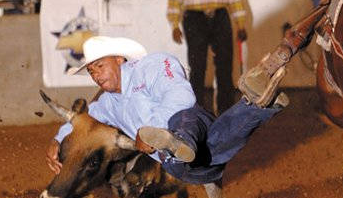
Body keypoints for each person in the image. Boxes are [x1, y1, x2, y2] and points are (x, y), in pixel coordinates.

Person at [45, 36, 286, 186]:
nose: (96, 75)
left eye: (99, 65)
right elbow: (83, 122)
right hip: (184, 166)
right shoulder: (107, 104)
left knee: (185, 121)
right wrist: (59, 140)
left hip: (190, 127)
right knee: (214, 151)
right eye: (91, 71)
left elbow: (182, 96)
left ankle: (179, 141)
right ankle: (261, 105)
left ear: (119, 59)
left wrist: (150, 131)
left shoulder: (153, 65)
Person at [167, 0, 248, 114]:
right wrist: (175, 24)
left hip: (220, 16)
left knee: (225, 65)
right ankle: (197, 110)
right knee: (197, 66)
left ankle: (226, 109)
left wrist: (240, 23)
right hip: (195, 19)